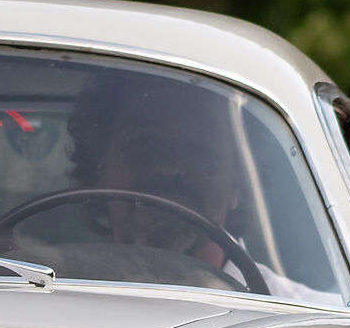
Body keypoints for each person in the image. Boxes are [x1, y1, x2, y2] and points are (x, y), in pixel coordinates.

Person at [57, 70, 253, 285]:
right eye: (145, 143)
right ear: (100, 168)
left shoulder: (288, 311)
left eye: (199, 150)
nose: (170, 168)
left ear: (236, 184)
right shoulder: (52, 292)